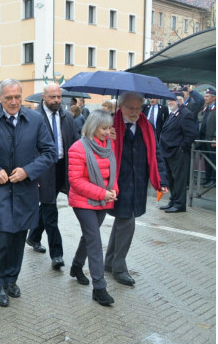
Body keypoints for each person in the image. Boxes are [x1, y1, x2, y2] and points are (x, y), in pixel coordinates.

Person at [0, 78, 55, 307]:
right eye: (9, 98)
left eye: (18, 97)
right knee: (2, 237)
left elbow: (49, 152)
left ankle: (11, 278)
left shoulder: (35, 120)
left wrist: (28, 171)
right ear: (0, 98)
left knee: (18, 237)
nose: (14, 102)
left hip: (25, 190)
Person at [105, 91, 168, 286]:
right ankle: (119, 267)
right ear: (121, 106)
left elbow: (156, 153)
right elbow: (92, 146)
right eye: (130, 108)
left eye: (138, 108)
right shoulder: (108, 125)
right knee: (127, 221)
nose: (134, 112)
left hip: (138, 182)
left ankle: (109, 262)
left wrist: (162, 180)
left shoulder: (146, 126)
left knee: (123, 220)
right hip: (117, 182)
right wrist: (106, 137)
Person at [25, 84, 80, 270]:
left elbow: (75, 143)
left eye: (59, 97)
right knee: (50, 210)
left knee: (47, 206)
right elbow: (29, 149)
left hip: (61, 168)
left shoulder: (67, 117)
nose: (57, 100)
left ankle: (33, 237)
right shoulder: (33, 118)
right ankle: (57, 254)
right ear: (43, 97)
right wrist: (33, 175)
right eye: (52, 97)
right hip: (43, 170)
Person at [67, 110, 119, 306]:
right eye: (103, 128)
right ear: (92, 127)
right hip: (83, 201)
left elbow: (113, 172)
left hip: (104, 199)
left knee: (90, 235)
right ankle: (99, 288)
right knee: (95, 241)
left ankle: (76, 266)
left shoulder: (108, 145)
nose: (107, 132)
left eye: (109, 128)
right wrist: (102, 193)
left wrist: (113, 191)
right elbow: (76, 181)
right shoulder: (77, 148)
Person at [159, 92, 197, 213]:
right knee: (171, 179)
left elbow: (191, 134)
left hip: (177, 152)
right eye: (169, 101)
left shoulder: (185, 114)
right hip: (168, 152)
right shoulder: (173, 114)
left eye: (172, 101)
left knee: (179, 179)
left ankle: (180, 204)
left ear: (179, 101)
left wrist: (181, 148)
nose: (169, 103)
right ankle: (173, 201)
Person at [199, 89, 216, 188]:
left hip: (211, 139)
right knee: (206, 159)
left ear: (214, 97)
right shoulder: (206, 108)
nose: (205, 98)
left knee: (213, 159)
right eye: (205, 96)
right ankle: (208, 178)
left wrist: (215, 137)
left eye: (207, 96)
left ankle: (213, 180)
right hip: (203, 138)